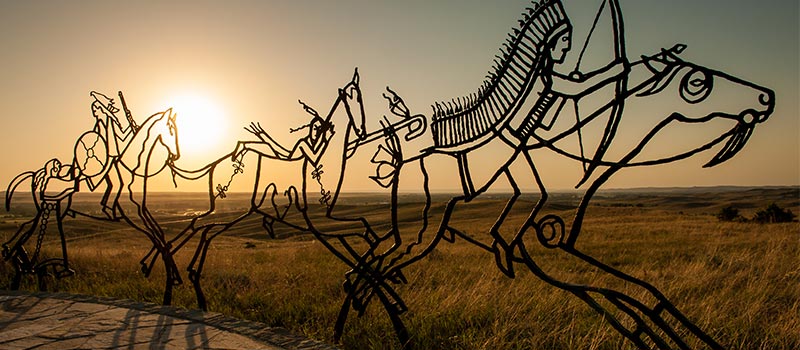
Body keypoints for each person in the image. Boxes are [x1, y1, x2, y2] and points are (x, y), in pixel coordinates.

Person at [236, 101, 335, 166]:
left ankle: (246, 145)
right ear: (310, 129)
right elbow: (314, 159)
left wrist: (326, 137)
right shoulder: (303, 143)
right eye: (314, 128)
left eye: (319, 130)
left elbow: (315, 151)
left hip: (286, 155)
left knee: (269, 145)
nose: (316, 132)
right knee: (268, 147)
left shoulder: (311, 143)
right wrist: (326, 139)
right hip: (286, 157)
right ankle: (245, 145)